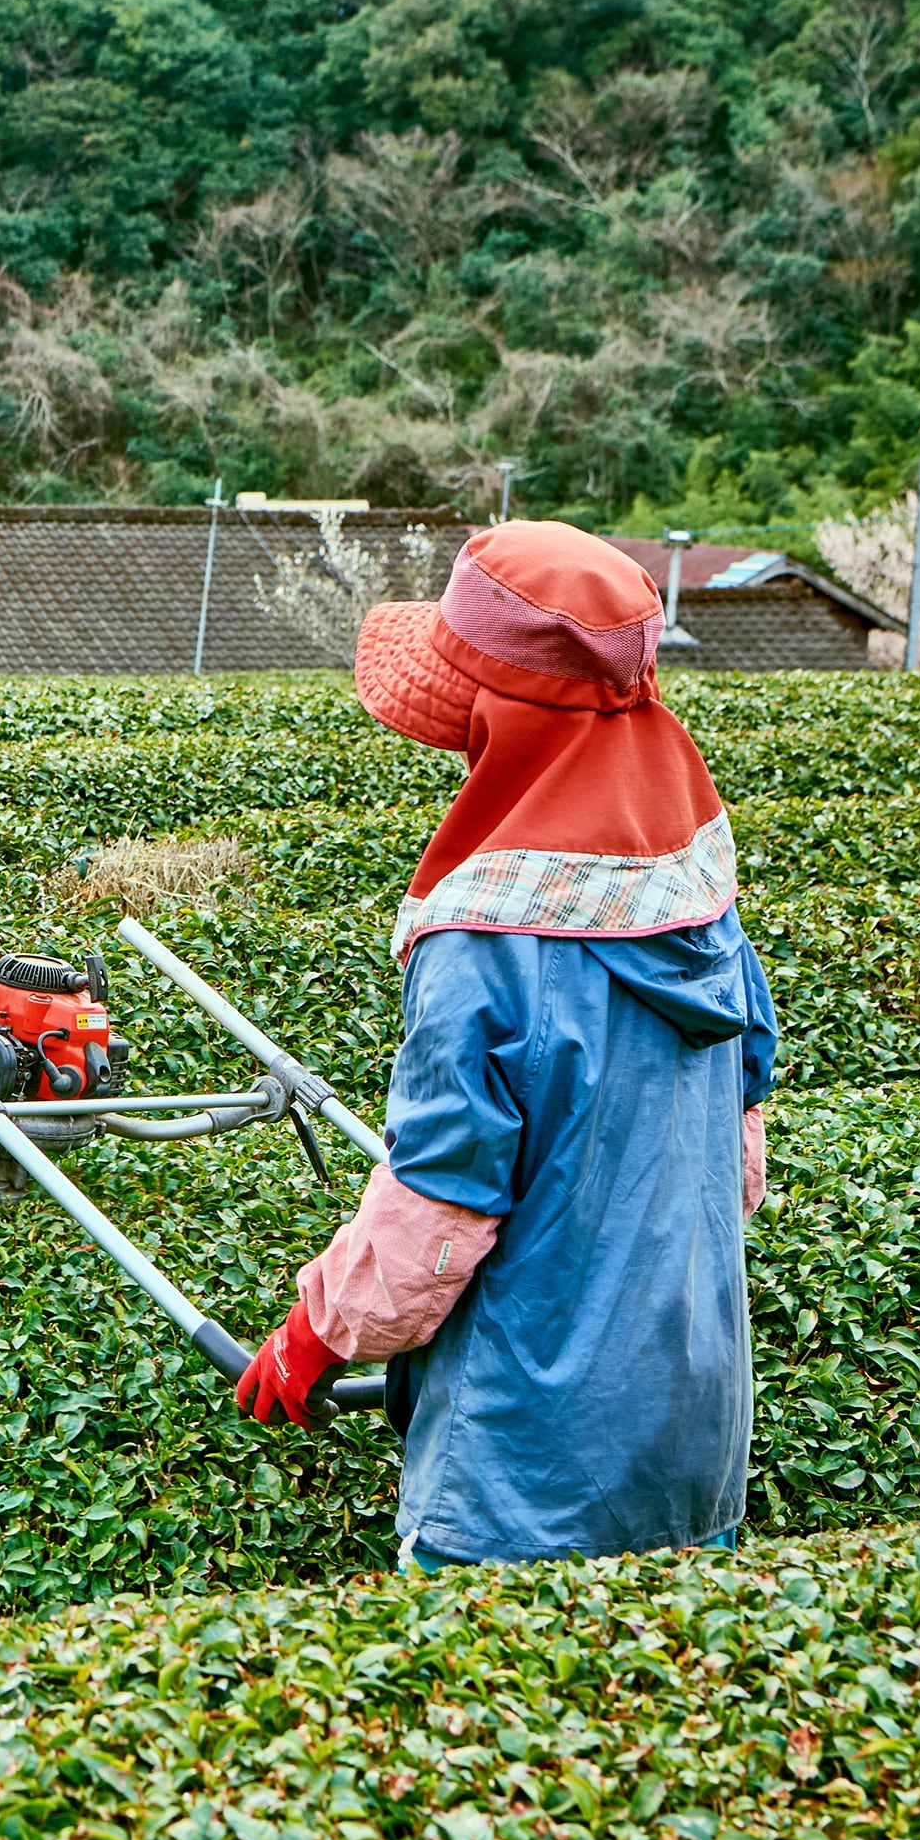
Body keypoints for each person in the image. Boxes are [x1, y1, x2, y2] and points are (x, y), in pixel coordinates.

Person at [233, 520, 779, 1571]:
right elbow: (735, 1166)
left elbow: (440, 1212)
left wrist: (314, 1333)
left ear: (497, 719)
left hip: (522, 1472)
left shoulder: (487, 947)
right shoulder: (702, 899)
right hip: (695, 1437)